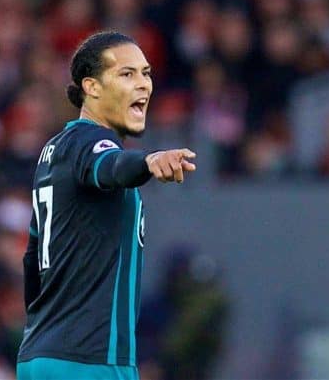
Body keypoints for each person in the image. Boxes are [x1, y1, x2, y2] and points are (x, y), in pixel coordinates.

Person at [16, 31, 197, 380]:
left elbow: (32, 259)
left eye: (146, 73)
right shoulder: (91, 141)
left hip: (40, 355)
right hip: (91, 360)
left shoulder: (52, 152)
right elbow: (112, 168)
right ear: (92, 87)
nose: (143, 84)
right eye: (126, 74)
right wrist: (148, 161)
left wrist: (42, 334)